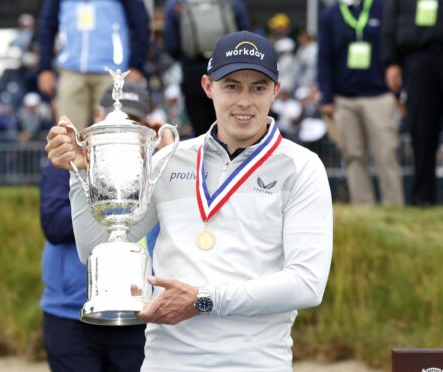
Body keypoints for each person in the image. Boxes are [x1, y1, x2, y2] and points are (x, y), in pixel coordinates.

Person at [46, 31, 333, 372]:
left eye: (258, 87)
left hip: (256, 363)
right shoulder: (170, 158)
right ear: (208, 87)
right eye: (231, 86)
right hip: (166, 362)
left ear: (276, 91)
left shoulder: (301, 166)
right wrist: (81, 176)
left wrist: (203, 299)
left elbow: (307, 283)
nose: (244, 101)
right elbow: (95, 247)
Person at [39, 81, 159, 372]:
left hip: (139, 310)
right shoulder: (66, 163)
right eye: (120, 119)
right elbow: (53, 226)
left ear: (147, 127)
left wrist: (164, 157)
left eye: (135, 122)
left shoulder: (155, 170)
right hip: (70, 313)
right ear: (97, 115)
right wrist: (94, 192)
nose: (124, 129)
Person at [382, 0, 443, 205]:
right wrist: (391, 61)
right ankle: (422, 199)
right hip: (418, 57)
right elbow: (390, 18)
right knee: (421, 130)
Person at [318, 0, 404, 206]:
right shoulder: (330, 15)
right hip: (344, 99)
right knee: (353, 155)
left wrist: (399, 93)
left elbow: (395, 48)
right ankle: (363, 207)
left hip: (379, 96)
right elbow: (324, 58)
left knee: (386, 153)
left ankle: (394, 207)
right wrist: (327, 98)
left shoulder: (382, 8)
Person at [37, 0, 150, 131]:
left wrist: (136, 65)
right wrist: (44, 68)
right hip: (70, 71)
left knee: (112, 132)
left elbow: (140, 22)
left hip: (112, 73)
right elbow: (47, 25)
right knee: (67, 134)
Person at [163, 0, 249, 136]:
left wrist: (187, 58)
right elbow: (246, 36)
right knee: (231, 126)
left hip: (193, 72)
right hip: (228, 69)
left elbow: (171, 45)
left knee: (201, 131)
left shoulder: (176, 4)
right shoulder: (232, 3)